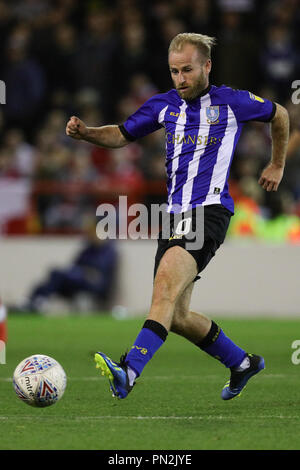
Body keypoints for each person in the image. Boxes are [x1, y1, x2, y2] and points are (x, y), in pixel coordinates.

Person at [66, 33, 289, 400]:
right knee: (178, 315)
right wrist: (87, 133)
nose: (180, 78)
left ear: (207, 66)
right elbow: (121, 134)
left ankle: (129, 371)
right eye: (174, 71)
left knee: (163, 292)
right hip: (173, 216)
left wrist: (276, 163)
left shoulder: (232, 102)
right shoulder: (163, 105)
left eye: (187, 70)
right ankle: (242, 363)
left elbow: (279, 113)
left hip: (209, 211)